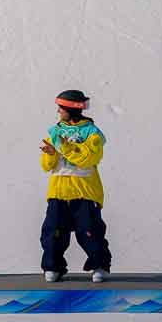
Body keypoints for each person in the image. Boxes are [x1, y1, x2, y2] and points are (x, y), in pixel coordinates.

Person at [39, 89, 112, 283]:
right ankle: (53, 267)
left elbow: (89, 158)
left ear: (71, 109)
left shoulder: (92, 133)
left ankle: (100, 265)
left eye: (61, 108)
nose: (58, 112)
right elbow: (46, 166)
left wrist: (65, 148)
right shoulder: (54, 131)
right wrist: (50, 153)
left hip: (85, 192)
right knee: (53, 231)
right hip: (59, 192)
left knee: (90, 230)